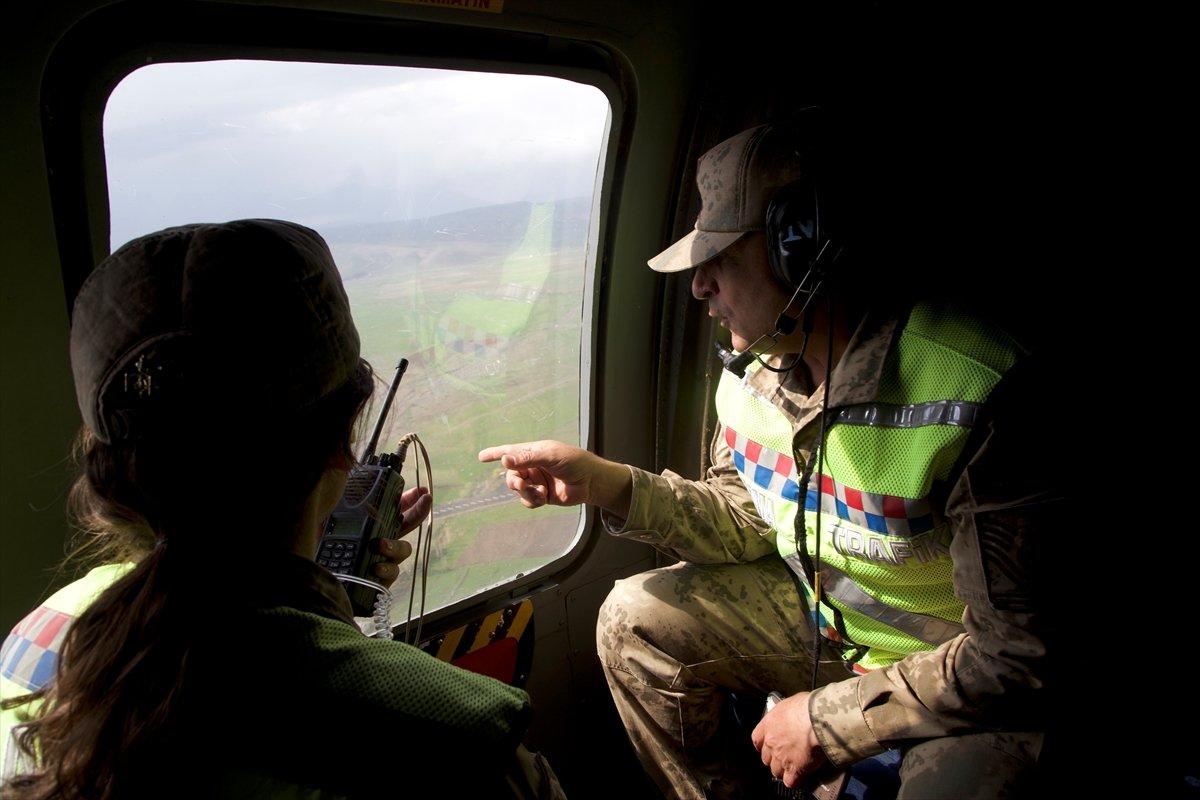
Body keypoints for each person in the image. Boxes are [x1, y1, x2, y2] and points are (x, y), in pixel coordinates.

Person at [480, 123, 1060, 799]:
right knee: (633, 618)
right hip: (836, 629)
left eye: (719, 259)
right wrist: (608, 485)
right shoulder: (755, 372)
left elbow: (1019, 653)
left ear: (803, 247)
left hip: (963, 674)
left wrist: (827, 720)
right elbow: (748, 518)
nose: (698, 287)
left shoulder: (976, 389)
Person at [0, 220, 564, 799]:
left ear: (112, 479)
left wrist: (314, 587)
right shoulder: (461, 745)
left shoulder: (30, 644)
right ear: (342, 445)